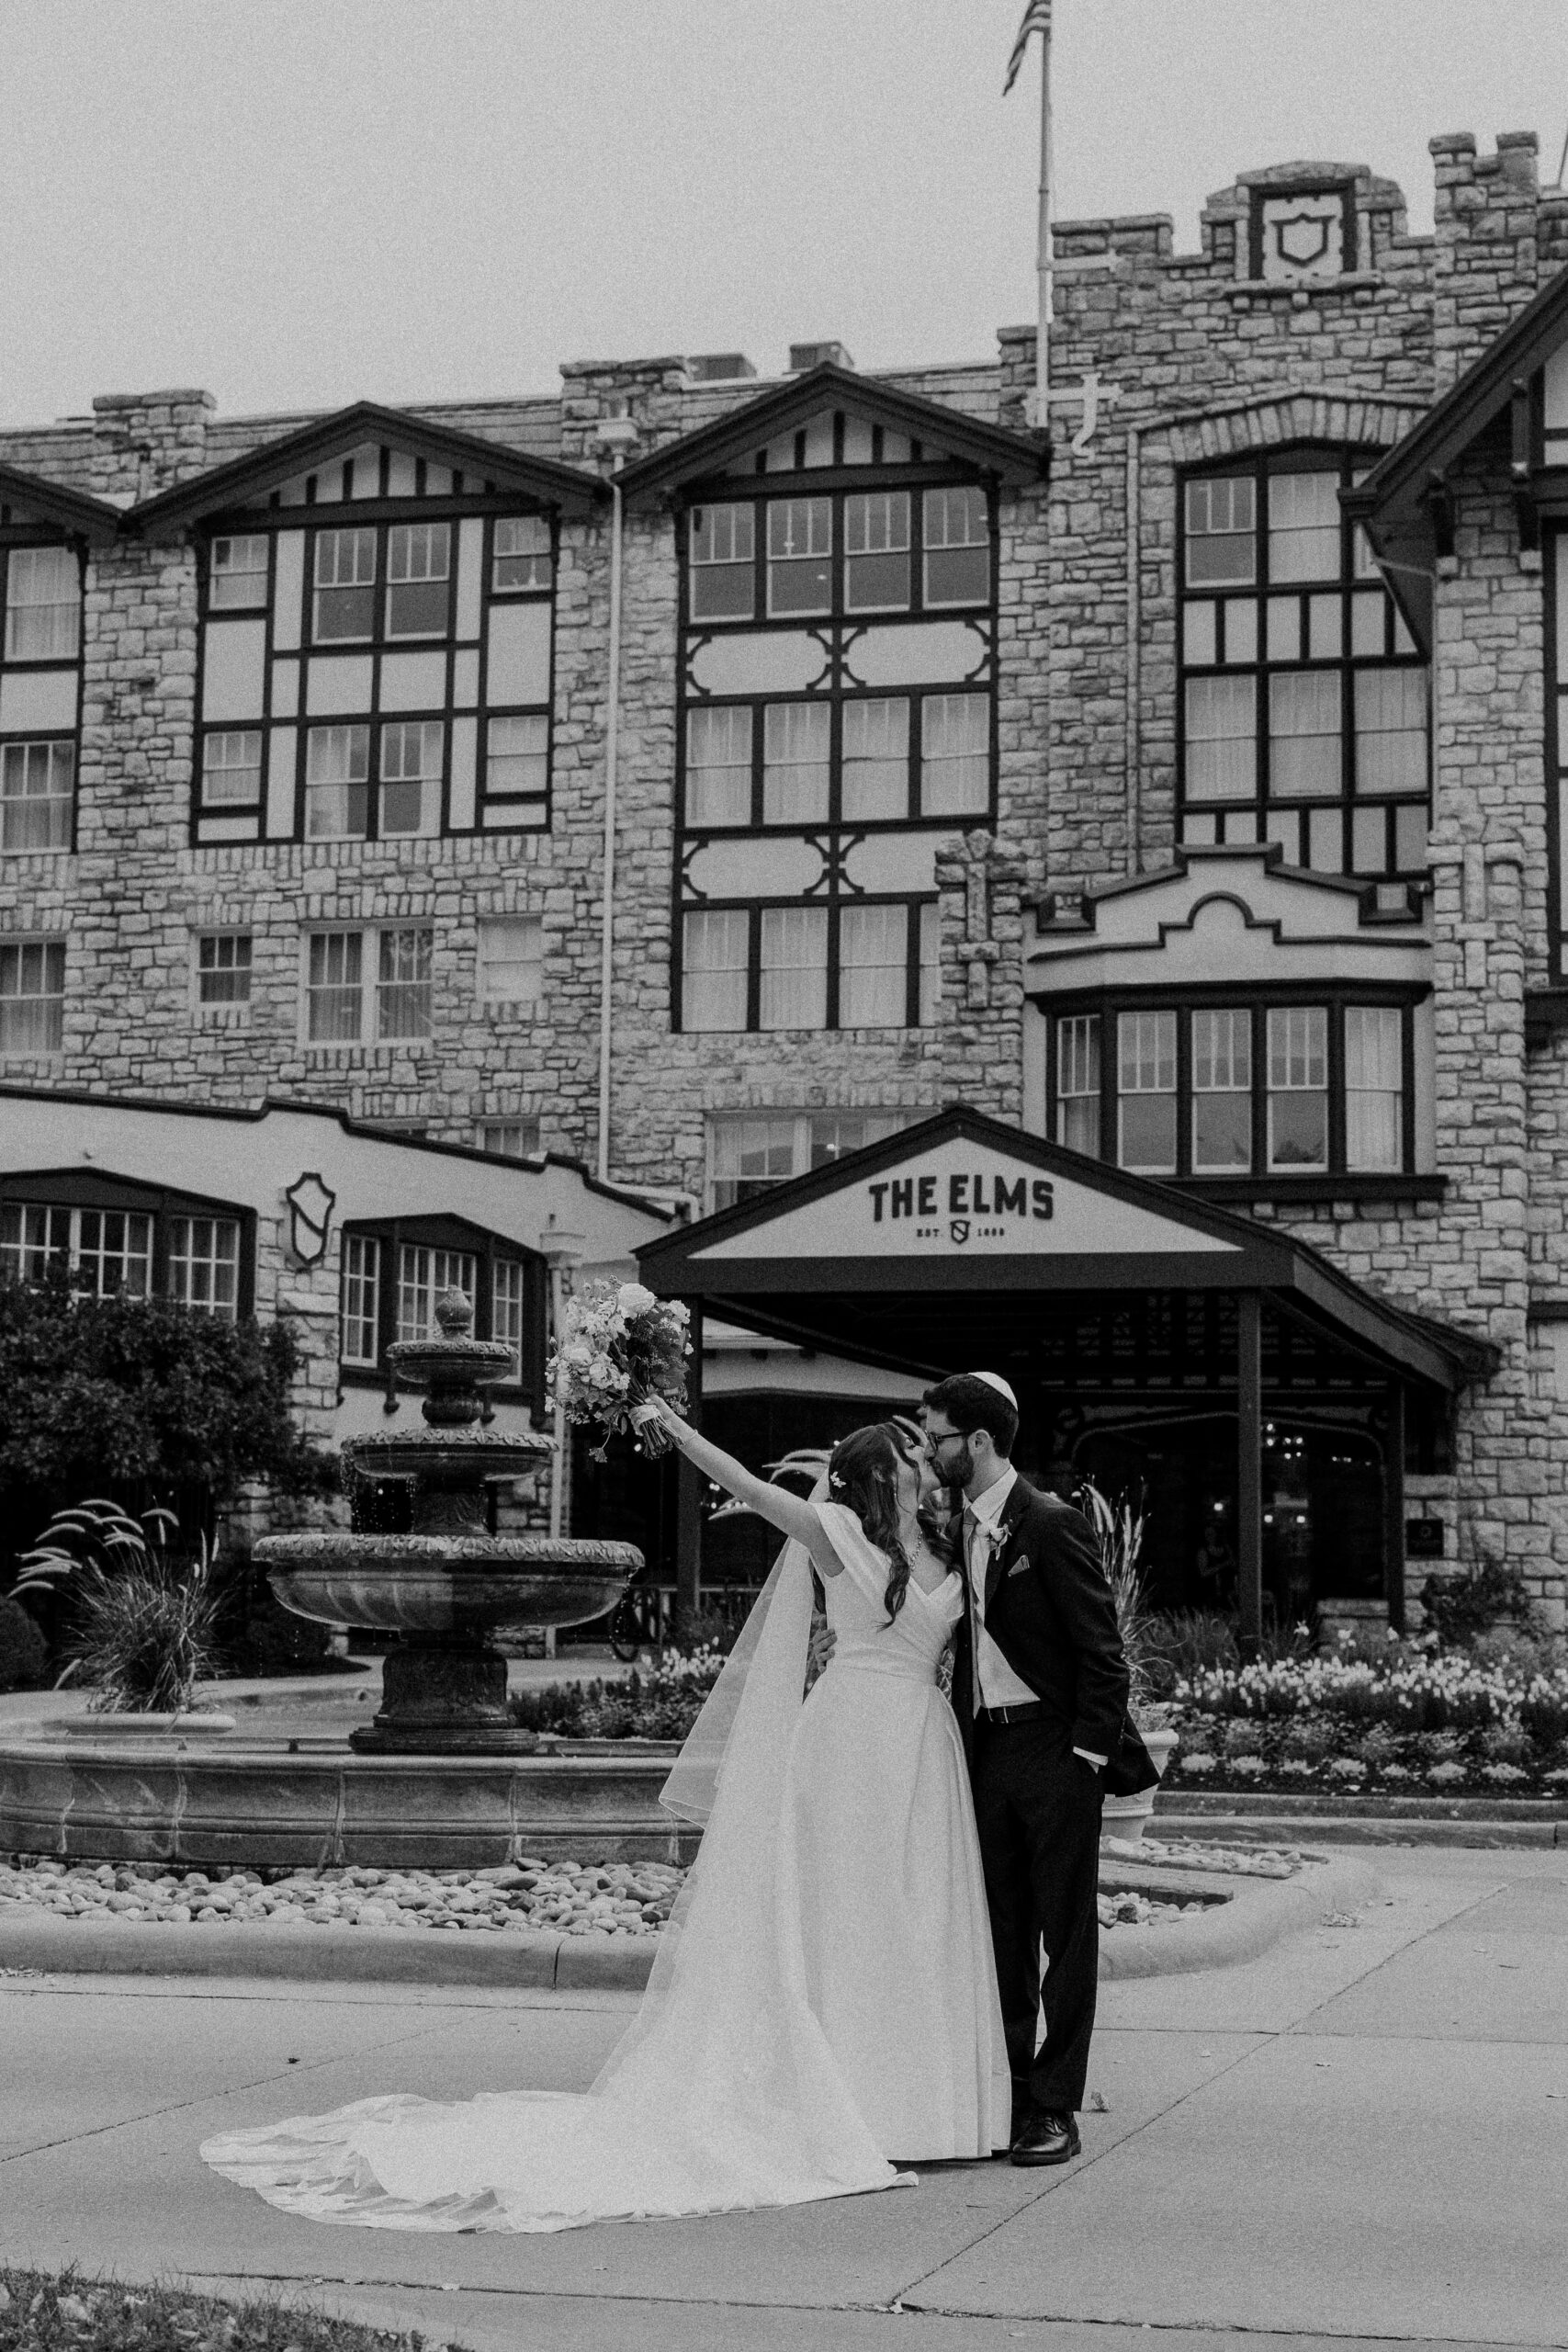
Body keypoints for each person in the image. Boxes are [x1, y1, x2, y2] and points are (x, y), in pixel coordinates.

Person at [199, 1414, 1010, 2234]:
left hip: (922, 1742)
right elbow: (744, 1483)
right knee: (846, 1915)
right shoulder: (834, 1532)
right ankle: (855, 2104)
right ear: (883, 1475)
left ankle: (924, 2105)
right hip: (848, 1741)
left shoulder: (947, 1542)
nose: (927, 1458)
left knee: (915, 1915)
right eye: (912, 1452)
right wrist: (672, 1424)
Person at [922, 1372, 1158, 2166]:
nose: (929, 1450)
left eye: (938, 1437)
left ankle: (1055, 2106)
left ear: (978, 1442)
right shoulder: (952, 1528)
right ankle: (1010, 2094)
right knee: (1002, 1930)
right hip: (984, 1749)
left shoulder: (1049, 1524)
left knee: (1065, 1933)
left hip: (1055, 1752)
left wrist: (1087, 1756)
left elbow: (1102, 1653)